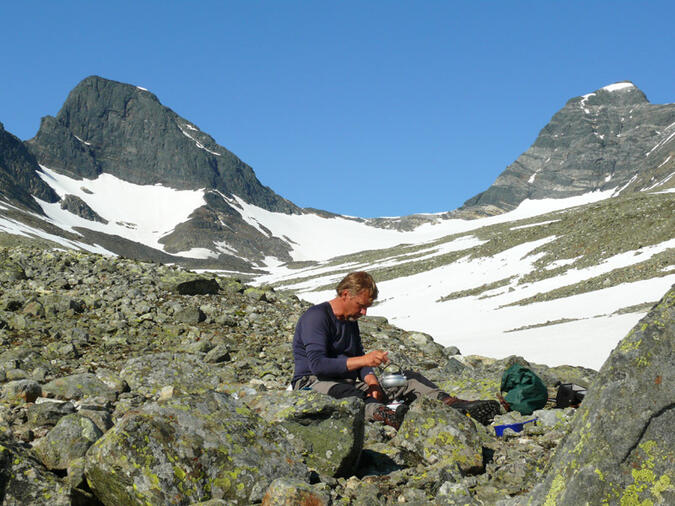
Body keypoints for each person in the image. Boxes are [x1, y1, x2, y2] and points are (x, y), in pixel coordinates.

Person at [291, 271, 501, 429]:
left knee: (408, 379)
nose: (363, 312)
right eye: (360, 305)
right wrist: (364, 362)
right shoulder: (316, 317)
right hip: (312, 383)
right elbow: (318, 365)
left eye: (367, 308)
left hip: (347, 380)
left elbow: (357, 361)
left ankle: (453, 405)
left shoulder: (350, 320)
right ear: (345, 294)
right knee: (350, 396)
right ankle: (386, 414)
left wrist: (372, 381)